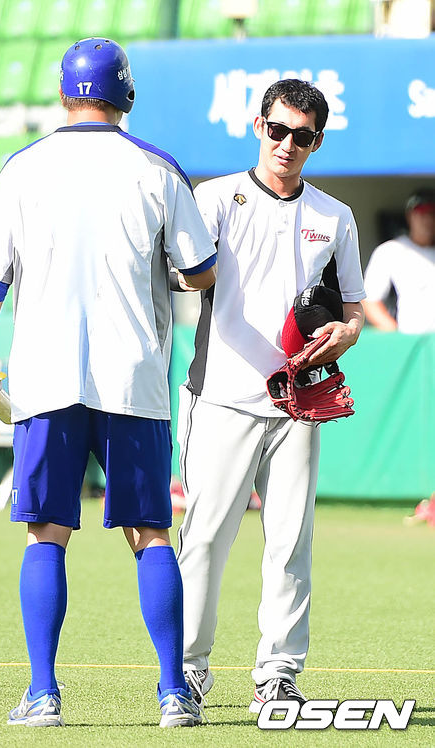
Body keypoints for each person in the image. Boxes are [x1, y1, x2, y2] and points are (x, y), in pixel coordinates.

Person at [0, 37, 217, 728]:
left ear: (63, 93)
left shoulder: (23, 167)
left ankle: (43, 693)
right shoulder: (157, 168)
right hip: (133, 380)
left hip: (44, 382)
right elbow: (200, 272)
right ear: (125, 94)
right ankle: (173, 693)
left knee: (46, 531)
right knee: (151, 532)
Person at [175, 79, 365, 717]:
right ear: (258, 126)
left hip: (299, 403)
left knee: (291, 543)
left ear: (317, 141)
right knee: (204, 540)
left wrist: (345, 334)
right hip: (221, 396)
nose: (287, 144)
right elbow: (182, 276)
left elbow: (354, 311)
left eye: (302, 136)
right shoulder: (214, 198)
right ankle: (187, 672)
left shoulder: (336, 217)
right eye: (278, 130)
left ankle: (279, 675)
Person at [362, 188, 435, 332]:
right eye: (421, 213)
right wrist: (396, 334)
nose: (428, 220)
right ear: (409, 216)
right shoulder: (391, 251)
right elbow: (369, 300)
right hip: (411, 338)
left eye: (432, 214)